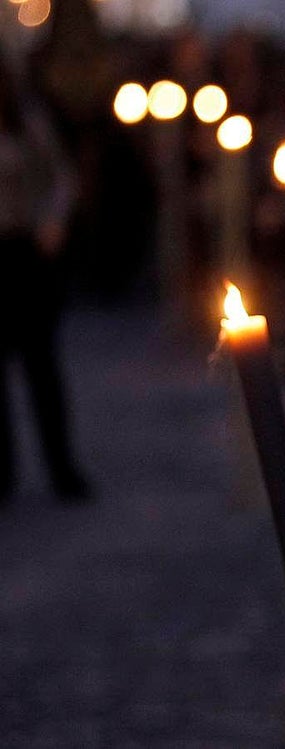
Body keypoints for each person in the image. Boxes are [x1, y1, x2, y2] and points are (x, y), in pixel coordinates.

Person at [0, 57, 90, 502]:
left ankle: (61, 466)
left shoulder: (27, 121)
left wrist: (52, 223)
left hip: (24, 253)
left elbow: (62, 178)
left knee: (41, 365)